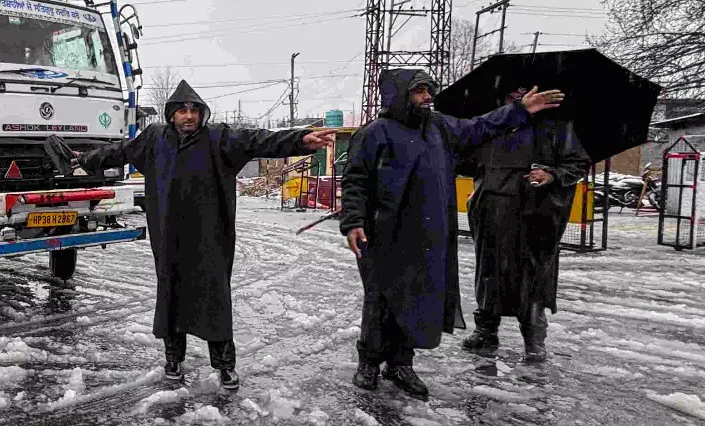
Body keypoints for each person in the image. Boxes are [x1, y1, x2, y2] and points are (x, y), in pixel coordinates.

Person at [72, 80, 336, 390]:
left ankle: (225, 367)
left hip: (210, 235)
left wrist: (300, 140)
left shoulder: (219, 138)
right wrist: (86, 159)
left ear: (201, 114)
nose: (188, 116)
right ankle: (173, 360)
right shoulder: (155, 139)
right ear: (171, 114)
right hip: (169, 235)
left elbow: (258, 140)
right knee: (171, 296)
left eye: (194, 110)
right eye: (182, 110)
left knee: (215, 298)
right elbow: (119, 151)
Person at [339, 69, 563, 399]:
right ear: (401, 94)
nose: (428, 96)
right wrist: (353, 222)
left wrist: (519, 110)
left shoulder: (439, 127)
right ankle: (369, 362)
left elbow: (480, 127)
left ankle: (402, 364)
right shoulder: (374, 133)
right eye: (419, 91)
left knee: (414, 298)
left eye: (430, 89)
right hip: (383, 233)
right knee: (381, 299)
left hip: (426, 233)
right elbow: (355, 181)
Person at [460, 87, 590, 363]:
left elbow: (578, 163)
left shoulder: (556, 127)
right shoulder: (491, 126)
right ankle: (485, 333)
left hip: (535, 213)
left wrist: (551, 174)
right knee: (489, 272)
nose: (518, 98)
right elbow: (466, 160)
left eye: (524, 91)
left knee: (533, 276)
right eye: (513, 95)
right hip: (491, 210)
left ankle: (533, 340)